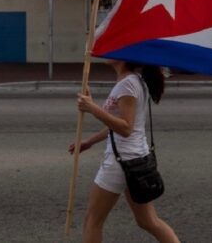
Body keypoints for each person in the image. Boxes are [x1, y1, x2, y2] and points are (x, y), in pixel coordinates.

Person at [70, 60, 179, 243]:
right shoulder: (133, 80)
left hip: (121, 162)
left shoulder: (128, 84)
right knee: (148, 221)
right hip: (134, 159)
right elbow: (122, 124)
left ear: (121, 57)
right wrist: (90, 142)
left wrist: (92, 108)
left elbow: (126, 128)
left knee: (92, 221)